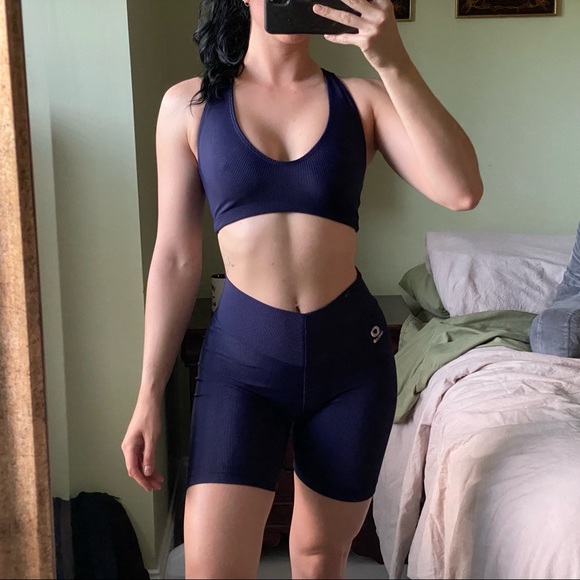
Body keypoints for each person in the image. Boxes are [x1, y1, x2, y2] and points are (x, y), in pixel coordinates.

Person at [121, 0, 483, 577]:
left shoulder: (361, 100)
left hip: (351, 365)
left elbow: (461, 190)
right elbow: (175, 258)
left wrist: (390, 58)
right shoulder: (190, 105)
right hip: (243, 367)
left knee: (319, 558)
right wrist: (148, 394)